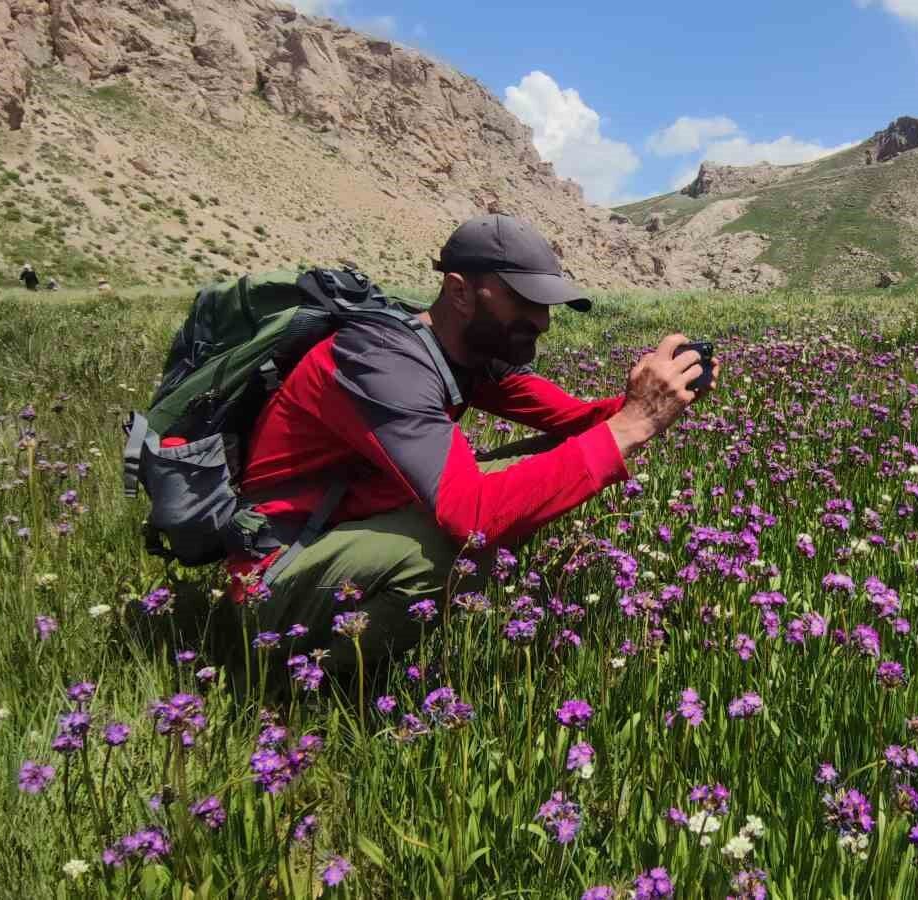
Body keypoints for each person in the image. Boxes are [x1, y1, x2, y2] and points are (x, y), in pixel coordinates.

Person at [222, 214, 717, 684]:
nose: (542, 320)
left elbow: (576, 422)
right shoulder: (382, 362)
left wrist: (659, 400)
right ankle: (304, 676)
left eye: (546, 304)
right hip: (276, 576)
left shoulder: (468, 352)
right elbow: (473, 520)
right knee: (456, 550)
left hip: (342, 534)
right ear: (459, 292)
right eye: (524, 300)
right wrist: (637, 421)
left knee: (551, 458)